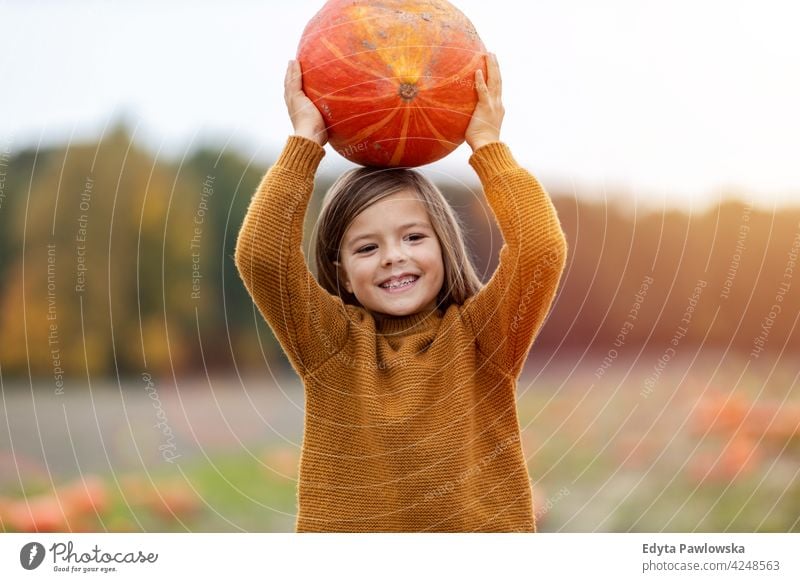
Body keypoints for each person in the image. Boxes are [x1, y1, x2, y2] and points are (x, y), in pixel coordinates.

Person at [234, 54, 568, 532]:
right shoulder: (330, 343)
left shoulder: (483, 338)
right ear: (343, 274)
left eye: (413, 237)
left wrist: (486, 143)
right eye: (367, 247)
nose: (394, 256)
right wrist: (305, 142)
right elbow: (261, 258)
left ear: (444, 246)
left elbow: (540, 248)